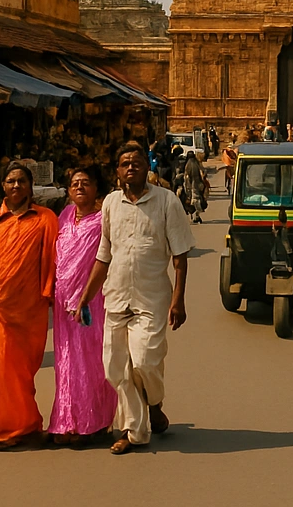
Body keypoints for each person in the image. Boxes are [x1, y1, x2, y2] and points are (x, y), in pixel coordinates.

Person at [76, 142, 194, 455]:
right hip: (115, 296)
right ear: (117, 170)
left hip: (152, 298)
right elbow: (104, 255)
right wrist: (85, 297)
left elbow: (180, 256)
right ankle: (135, 430)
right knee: (116, 368)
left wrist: (179, 300)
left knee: (144, 361)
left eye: (137, 163)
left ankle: (154, 404)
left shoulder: (167, 201)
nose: (131, 168)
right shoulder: (111, 204)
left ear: (147, 167)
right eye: (125, 163)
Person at [0, 161, 58, 450]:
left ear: (31, 187)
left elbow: (55, 260)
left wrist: (53, 298)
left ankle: (25, 425)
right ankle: (5, 429)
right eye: (11, 181)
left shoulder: (44, 218)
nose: (16, 186)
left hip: (31, 309)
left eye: (22, 181)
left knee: (22, 371)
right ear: (2, 186)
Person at [49, 166, 117, 444]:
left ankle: (93, 422)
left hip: (93, 301)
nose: (79, 187)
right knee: (65, 362)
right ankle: (66, 421)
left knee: (91, 362)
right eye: (75, 183)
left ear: (96, 189)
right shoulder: (64, 217)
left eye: (86, 183)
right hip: (63, 301)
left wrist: (85, 295)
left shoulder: (103, 220)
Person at [183, 151, 206, 223]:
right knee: (198, 200)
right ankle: (197, 215)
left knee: (192, 201)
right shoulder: (197, 163)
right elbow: (203, 172)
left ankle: (195, 216)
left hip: (191, 186)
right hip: (199, 185)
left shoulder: (187, 165)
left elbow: (186, 177)